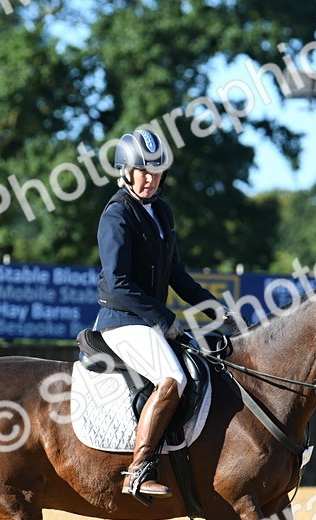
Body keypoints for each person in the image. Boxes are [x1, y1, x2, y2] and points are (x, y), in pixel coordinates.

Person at [95, 128, 230, 500]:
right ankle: (138, 470)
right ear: (124, 171)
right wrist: (166, 320)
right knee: (173, 377)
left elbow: (176, 275)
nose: (150, 178)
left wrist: (215, 308)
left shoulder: (161, 211)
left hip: (147, 321)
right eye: (142, 170)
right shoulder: (116, 215)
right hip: (120, 321)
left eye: (156, 171)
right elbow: (119, 282)